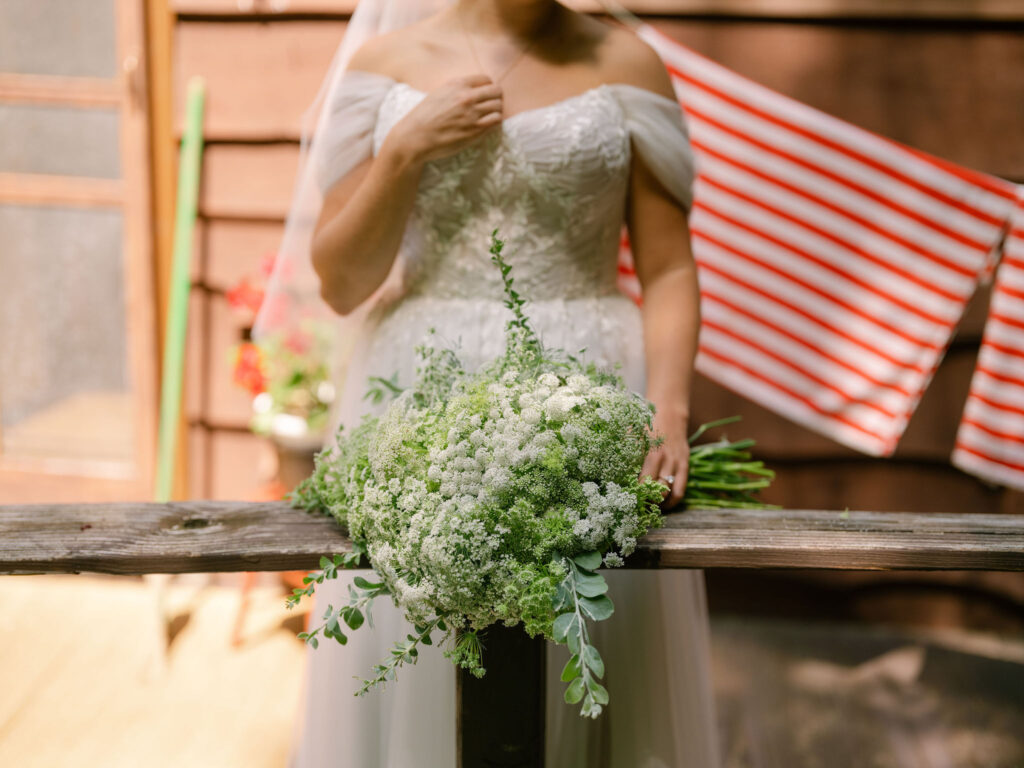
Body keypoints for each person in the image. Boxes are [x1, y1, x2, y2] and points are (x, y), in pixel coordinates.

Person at [278, 0, 719, 765]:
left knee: (589, 639)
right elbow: (343, 284)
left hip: (591, 397)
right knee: (418, 647)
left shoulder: (628, 63)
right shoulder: (386, 68)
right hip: (415, 402)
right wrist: (402, 153)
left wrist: (669, 411)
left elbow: (671, 267)